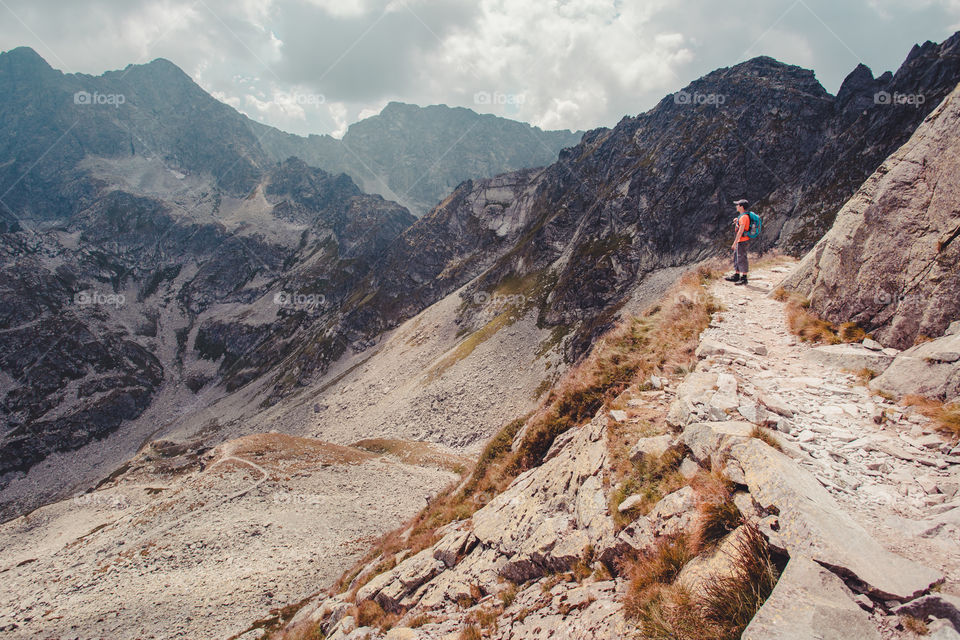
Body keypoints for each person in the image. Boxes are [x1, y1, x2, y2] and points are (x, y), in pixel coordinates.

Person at [725, 199, 751, 285]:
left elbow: (740, 231)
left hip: (742, 241)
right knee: (737, 257)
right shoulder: (742, 216)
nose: (736, 206)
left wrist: (734, 243)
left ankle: (744, 278)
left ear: (741, 207)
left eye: (738, 205)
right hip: (741, 240)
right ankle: (737, 275)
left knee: (742, 258)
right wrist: (737, 221)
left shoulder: (744, 217)